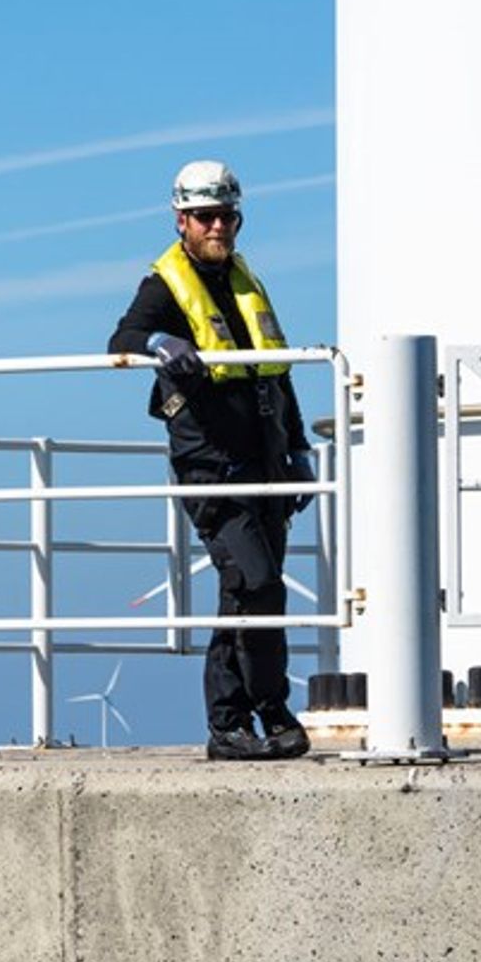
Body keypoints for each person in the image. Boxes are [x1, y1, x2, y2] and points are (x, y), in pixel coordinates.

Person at [108, 161, 316, 761]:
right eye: (205, 216)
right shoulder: (165, 285)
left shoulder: (247, 280)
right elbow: (122, 339)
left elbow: (277, 371)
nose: (217, 226)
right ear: (182, 220)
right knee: (255, 583)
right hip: (213, 464)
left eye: (226, 215)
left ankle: (248, 720)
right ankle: (254, 714)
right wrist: (159, 343)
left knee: (248, 592)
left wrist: (298, 447)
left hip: (268, 461)